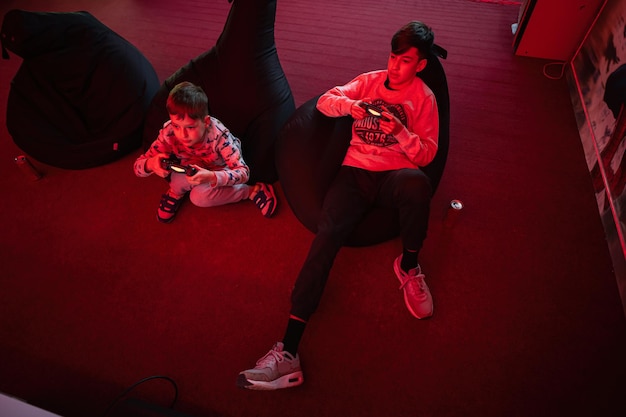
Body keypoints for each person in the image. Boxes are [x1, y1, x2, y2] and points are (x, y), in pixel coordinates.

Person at [237, 21, 439, 390]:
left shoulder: (424, 98)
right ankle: (289, 350)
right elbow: (326, 102)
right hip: (354, 174)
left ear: (420, 65)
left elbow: (427, 154)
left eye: (406, 61)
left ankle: (409, 266)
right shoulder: (370, 80)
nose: (396, 66)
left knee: (417, 184)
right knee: (326, 236)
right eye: (393, 57)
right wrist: (354, 106)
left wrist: (399, 131)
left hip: (395, 174)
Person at [134, 81, 277, 223]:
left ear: (206, 122)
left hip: (218, 171)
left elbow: (244, 173)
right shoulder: (168, 133)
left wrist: (211, 177)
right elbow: (137, 166)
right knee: (176, 180)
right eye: (176, 126)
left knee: (199, 197)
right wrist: (151, 164)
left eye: (190, 127)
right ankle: (175, 192)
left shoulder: (220, 136)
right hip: (188, 169)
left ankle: (252, 191)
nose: (182, 135)